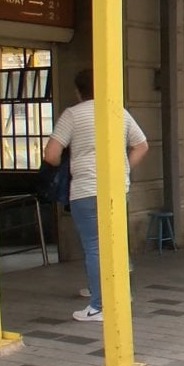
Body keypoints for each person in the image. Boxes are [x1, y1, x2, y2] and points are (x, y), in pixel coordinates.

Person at [44, 69, 149, 322]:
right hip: (115, 190)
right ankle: (122, 295)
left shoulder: (73, 114)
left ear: (79, 91)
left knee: (94, 246)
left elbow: (51, 154)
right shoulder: (118, 112)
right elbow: (142, 145)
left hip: (85, 190)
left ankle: (99, 304)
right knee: (114, 243)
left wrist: (66, 164)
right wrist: (123, 169)